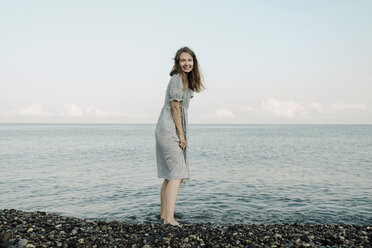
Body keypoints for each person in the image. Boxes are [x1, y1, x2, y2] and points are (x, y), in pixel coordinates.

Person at [155, 46, 205, 227]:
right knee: (176, 173)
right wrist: (182, 135)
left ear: (194, 62)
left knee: (170, 175)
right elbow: (175, 108)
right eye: (183, 60)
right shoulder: (177, 79)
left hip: (166, 127)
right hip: (170, 129)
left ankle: (163, 215)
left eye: (189, 60)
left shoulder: (184, 80)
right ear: (177, 62)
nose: (187, 63)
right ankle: (169, 219)